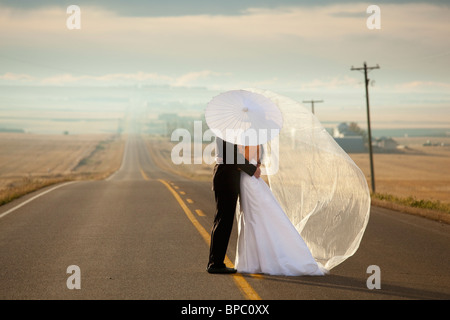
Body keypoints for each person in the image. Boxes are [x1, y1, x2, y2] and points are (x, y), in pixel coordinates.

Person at [234, 145, 327, 276]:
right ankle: (255, 261)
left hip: (248, 180)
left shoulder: (250, 139)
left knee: (254, 219)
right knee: (253, 219)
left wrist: (238, 154)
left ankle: (258, 262)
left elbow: (242, 163)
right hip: (249, 179)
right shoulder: (252, 138)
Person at [207, 138, 261, 274]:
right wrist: (252, 169)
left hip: (227, 179)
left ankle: (216, 261)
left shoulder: (228, 132)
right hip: (226, 180)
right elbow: (233, 157)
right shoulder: (225, 133)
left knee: (223, 221)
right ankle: (215, 263)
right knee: (223, 222)